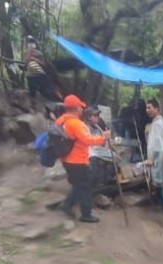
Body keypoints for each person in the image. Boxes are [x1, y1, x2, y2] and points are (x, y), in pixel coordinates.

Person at [56, 94, 110, 223]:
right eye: (80, 106)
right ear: (76, 108)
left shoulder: (60, 121)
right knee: (85, 186)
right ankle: (86, 214)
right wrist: (104, 138)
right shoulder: (76, 123)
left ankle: (67, 204)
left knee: (78, 185)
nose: (82, 109)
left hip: (65, 159)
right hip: (78, 160)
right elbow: (87, 140)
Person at [145, 99, 163, 210]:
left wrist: (152, 158)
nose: (147, 110)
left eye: (150, 108)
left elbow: (158, 144)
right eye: (146, 108)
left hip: (158, 158)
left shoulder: (157, 124)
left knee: (160, 183)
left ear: (157, 109)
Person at [84, 107, 113, 195]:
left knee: (114, 157)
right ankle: (92, 184)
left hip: (99, 151)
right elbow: (88, 142)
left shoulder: (98, 127)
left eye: (98, 115)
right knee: (93, 157)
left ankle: (107, 181)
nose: (98, 118)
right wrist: (102, 140)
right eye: (95, 116)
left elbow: (105, 142)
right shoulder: (84, 128)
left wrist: (106, 142)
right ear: (89, 117)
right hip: (88, 152)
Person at [23, 36, 55, 101]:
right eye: (29, 43)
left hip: (40, 74)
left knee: (44, 91)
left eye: (32, 43)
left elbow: (43, 64)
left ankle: (47, 105)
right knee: (32, 93)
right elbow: (25, 62)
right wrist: (29, 53)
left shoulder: (39, 53)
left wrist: (34, 59)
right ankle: (33, 107)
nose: (30, 44)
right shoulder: (26, 52)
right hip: (30, 75)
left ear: (35, 44)